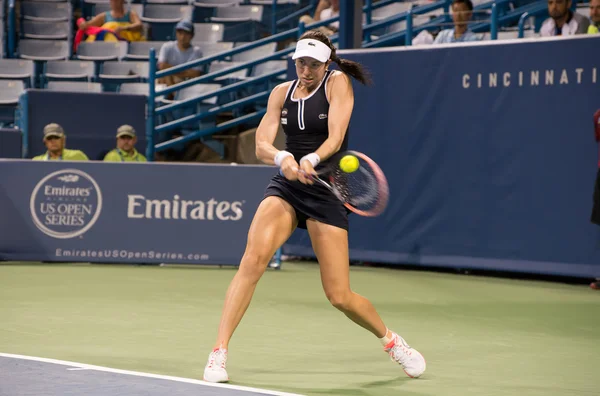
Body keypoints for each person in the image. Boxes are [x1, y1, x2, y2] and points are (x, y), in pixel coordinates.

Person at [203, 30, 426, 384]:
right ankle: (218, 353)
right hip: (288, 186)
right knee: (252, 261)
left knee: (339, 295)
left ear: (326, 64)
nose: (306, 71)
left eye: (314, 64)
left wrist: (313, 157)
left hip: (327, 188)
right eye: (301, 63)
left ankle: (392, 341)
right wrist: (282, 157)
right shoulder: (281, 93)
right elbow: (262, 142)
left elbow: (336, 137)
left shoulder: (338, 84)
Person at [158, 20, 203, 87]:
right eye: (180, 33)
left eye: (186, 34)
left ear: (192, 36)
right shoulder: (167, 46)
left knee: (169, 76)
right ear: (176, 33)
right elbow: (162, 66)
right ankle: (175, 95)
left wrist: (172, 72)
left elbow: (195, 73)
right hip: (167, 81)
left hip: (186, 83)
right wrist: (183, 72)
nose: (182, 37)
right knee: (164, 77)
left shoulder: (197, 51)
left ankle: (174, 95)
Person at [76, 0, 144, 44]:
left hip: (126, 42)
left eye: (117, 1)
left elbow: (139, 25)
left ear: (122, 1)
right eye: (112, 1)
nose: (114, 2)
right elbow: (88, 25)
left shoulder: (131, 14)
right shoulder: (104, 16)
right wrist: (82, 23)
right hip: (109, 43)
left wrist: (123, 28)